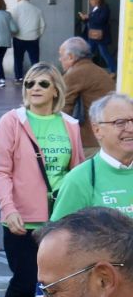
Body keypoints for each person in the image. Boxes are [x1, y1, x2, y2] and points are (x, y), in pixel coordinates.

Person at [0, 63, 82, 297]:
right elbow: (1, 170)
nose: (35, 88)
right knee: (27, 280)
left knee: (58, 283)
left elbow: (77, 173)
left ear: (55, 88)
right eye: (29, 83)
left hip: (61, 220)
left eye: (42, 83)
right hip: (22, 220)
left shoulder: (70, 124)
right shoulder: (12, 121)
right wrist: (9, 209)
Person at [52, 92, 133, 222]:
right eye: (120, 122)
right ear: (97, 130)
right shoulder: (80, 179)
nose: (130, 128)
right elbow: (59, 237)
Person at [60, 36, 116, 152]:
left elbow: (63, 107)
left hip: (90, 141)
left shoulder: (76, 73)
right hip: (106, 136)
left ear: (71, 57)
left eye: (61, 56)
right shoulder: (99, 71)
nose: (60, 60)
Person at [11, 0, 46, 74]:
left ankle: (18, 77)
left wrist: (13, 34)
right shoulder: (37, 10)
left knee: (18, 59)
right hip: (33, 38)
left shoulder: (14, 9)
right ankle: (36, 76)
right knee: (34, 60)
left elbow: (11, 24)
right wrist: (38, 35)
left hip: (19, 37)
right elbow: (43, 25)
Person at [84, 0, 113, 68]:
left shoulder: (104, 8)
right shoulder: (95, 8)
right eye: (89, 0)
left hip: (100, 36)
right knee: (88, 53)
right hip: (93, 35)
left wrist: (89, 17)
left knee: (104, 53)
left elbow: (100, 20)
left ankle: (113, 70)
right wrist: (85, 18)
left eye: (92, 0)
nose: (90, 2)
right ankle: (85, 68)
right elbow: (92, 20)